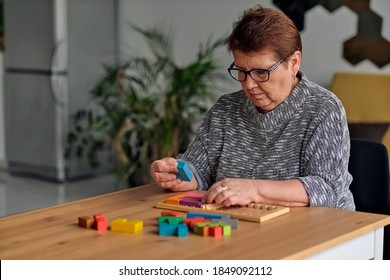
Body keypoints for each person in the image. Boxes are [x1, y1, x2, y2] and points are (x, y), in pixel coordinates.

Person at [150, 5, 355, 210]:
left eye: (260, 72)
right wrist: (178, 175)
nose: (249, 84)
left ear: (294, 63)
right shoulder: (226, 109)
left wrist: (254, 189)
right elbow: (198, 170)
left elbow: (326, 188)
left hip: (322, 230)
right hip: (243, 227)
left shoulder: (324, 109)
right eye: (241, 71)